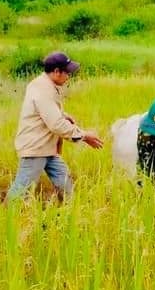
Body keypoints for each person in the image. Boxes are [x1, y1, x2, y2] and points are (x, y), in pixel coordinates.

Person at [7, 51, 103, 201]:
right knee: (21, 190)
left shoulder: (44, 84)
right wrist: (84, 136)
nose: (69, 76)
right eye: (67, 72)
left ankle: (70, 212)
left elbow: (45, 112)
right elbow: (56, 124)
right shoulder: (43, 90)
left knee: (64, 182)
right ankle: (7, 217)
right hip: (36, 148)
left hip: (48, 148)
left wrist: (63, 115)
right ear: (57, 71)